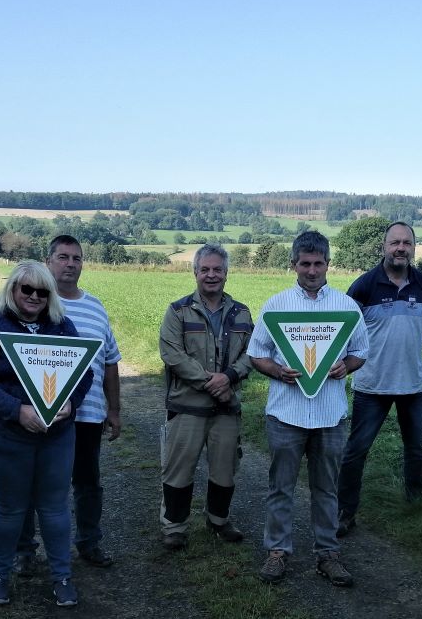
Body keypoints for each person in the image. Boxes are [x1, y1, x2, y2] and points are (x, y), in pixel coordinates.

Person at [0, 261, 93, 607]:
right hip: (8, 435)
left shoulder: (62, 327)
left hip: (57, 436)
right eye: (27, 289)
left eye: (42, 291)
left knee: (54, 508)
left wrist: (71, 406)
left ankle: (61, 575)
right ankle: (0, 575)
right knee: (8, 509)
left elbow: (84, 375)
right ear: (13, 290)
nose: (34, 296)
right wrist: (16, 411)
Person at [246, 230, 369, 586]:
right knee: (281, 486)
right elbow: (257, 354)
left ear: (328, 264)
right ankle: (277, 552)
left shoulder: (346, 307)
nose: (312, 270)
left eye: (318, 263)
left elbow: (361, 350)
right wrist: (278, 371)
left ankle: (327, 554)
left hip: (330, 413)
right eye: (305, 264)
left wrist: (346, 365)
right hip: (286, 412)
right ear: (293, 264)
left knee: (326, 488)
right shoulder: (276, 305)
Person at [19, 236, 121, 570]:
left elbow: (110, 361)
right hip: (39, 414)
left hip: (87, 412)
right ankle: (25, 550)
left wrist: (114, 409)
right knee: (34, 482)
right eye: (63, 257)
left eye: (77, 258)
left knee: (88, 481)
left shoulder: (96, 307)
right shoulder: (32, 304)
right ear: (48, 261)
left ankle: (89, 543)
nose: (70, 264)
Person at [336, 222, 422, 537]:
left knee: (416, 450)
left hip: (413, 385)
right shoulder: (364, 285)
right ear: (384, 246)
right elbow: (347, 334)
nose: (400, 248)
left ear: (414, 247)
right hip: (371, 386)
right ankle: (344, 512)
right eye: (395, 242)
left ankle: (416, 504)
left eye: (407, 243)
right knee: (356, 450)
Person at [158, 244, 254, 550]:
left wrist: (229, 378)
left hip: (227, 408)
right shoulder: (178, 311)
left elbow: (253, 353)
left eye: (217, 269)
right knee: (178, 469)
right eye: (205, 269)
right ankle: (174, 527)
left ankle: (218, 520)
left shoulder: (242, 313)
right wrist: (211, 381)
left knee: (225, 470)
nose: (211, 275)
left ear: (226, 273)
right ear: (195, 272)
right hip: (187, 406)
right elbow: (172, 355)